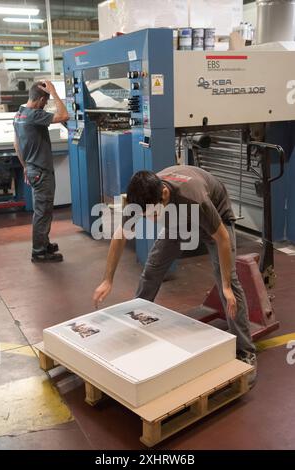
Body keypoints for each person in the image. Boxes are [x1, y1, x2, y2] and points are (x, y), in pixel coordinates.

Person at [93, 165, 257, 383]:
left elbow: (223, 239)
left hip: (215, 220)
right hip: (179, 220)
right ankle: (138, 318)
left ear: (164, 193)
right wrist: (107, 279)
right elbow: (120, 236)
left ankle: (245, 351)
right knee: (152, 268)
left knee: (228, 281)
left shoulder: (194, 198)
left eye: (151, 213)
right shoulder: (142, 197)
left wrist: (225, 285)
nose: (148, 218)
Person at [13, 80, 69, 262]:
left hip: (32, 168)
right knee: (42, 211)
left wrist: (25, 166)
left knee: (43, 210)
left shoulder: (19, 114)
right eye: (45, 101)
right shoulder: (35, 115)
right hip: (41, 171)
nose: (46, 105)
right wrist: (53, 92)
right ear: (40, 99)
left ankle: (43, 243)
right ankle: (38, 251)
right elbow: (64, 115)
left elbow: (16, 144)